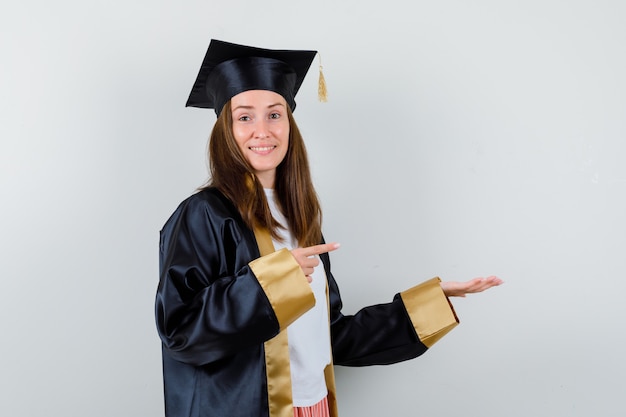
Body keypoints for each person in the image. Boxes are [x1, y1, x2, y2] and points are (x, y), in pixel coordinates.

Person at [155, 39, 503, 417]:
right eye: (244, 117)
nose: (262, 130)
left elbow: (331, 334)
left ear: (289, 123)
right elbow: (180, 331)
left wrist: (431, 303)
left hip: (313, 405)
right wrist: (273, 282)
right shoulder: (203, 214)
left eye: (275, 114)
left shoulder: (298, 218)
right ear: (225, 128)